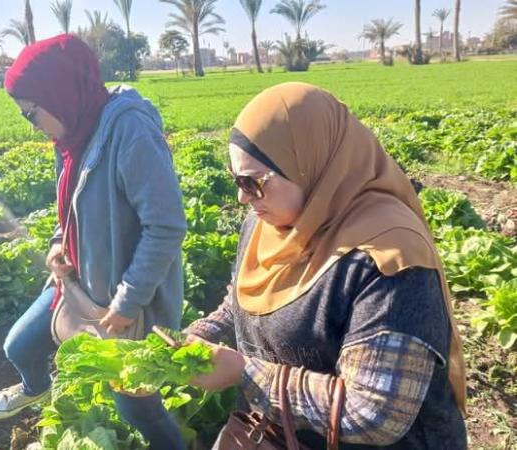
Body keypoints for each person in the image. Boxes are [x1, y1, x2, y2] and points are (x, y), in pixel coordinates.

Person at [184, 82, 468, 449]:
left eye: (253, 183)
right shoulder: (266, 225)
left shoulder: (390, 256)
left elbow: (374, 412)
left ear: (310, 166)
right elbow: (242, 301)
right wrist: (193, 341)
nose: (242, 197)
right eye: (236, 180)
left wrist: (244, 373)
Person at [0, 35, 187, 450]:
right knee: (19, 345)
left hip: (126, 301)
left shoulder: (130, 131)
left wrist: (127, 303)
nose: (31, 123)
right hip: (78, 284)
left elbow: (166, 226)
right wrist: (60, 242)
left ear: (58, 93)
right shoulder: (73, 131)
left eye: (31, 113)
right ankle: (35, 387)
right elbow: (71, 200)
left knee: (137, 407)